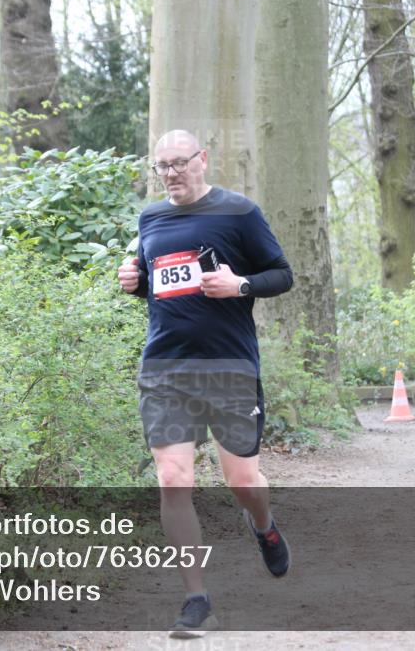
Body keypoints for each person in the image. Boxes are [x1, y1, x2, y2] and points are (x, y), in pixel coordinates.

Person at [117, 130, 294, 637]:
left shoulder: (239, 213)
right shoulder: (150, 218)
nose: (170, 173)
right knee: (173, 478)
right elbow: (161, 287)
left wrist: (240, 284)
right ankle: (197, 600)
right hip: (165, 366)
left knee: (242, 482)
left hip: (229, 365)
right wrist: (136, 283)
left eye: (179, 163)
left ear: (202, 160)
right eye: (161, 166)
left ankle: (262, 524)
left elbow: (282, 275)